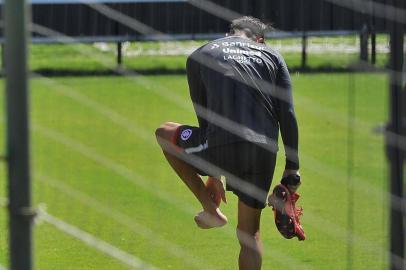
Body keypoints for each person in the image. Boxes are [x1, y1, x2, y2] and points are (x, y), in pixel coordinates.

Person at [155, 16, 303, 270]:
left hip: (218, 144)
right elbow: (287, 113)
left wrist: (213, 174)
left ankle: (210, 211)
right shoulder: (271, 55)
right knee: (250, 236)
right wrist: (292, 168)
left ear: (229, 34)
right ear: (259, 39)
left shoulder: (200, 54)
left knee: (163, 133)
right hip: (262, 151)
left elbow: (204, 115)